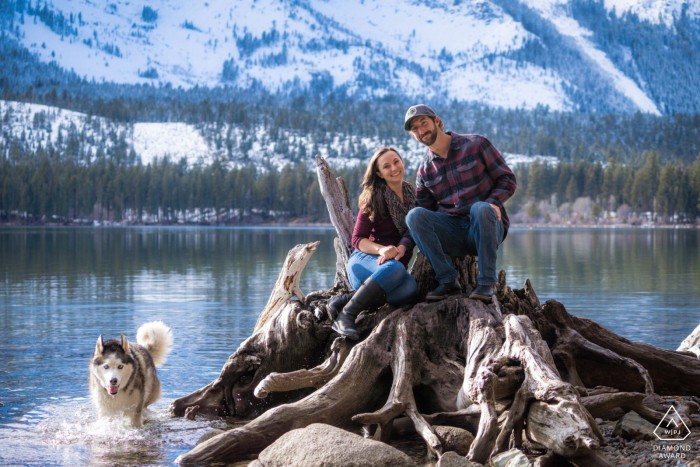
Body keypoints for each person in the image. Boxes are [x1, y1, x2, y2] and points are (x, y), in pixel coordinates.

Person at [403, 104, 517, 303]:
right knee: (414, 216)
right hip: (453, 232)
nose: (421, 131)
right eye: (415, 129)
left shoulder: (476, 144)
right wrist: (402, 247)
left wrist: (493, 203)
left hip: (486, 226)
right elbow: (422, 216)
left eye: (424, 123)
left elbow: (507, 179)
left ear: (436, 121)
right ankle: (448, 281)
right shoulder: (424, 170)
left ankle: (487, 283)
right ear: (413, 136)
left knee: (480, 208)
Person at [331, 147, 418, 339]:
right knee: (396, 268)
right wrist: (382, 249)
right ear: (379, 173)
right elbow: (357, 240)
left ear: (402, 162)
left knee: (410, 289)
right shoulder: (374, 197)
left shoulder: (412, 194)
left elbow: (412, 231)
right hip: (364, 261)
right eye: (386, 166)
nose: (394, 168)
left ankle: (345, 300)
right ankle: (347, 315)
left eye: (396, 161)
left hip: (393, 268)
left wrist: (402, 248)